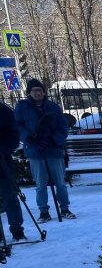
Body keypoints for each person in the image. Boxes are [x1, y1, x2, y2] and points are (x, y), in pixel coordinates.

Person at [14, 78, 74, 222]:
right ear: (29, 92)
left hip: (54, 149)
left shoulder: (53, 107)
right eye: (34, 90)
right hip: (36, 150)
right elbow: (18, 126)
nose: (38, 93)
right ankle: (44, 211)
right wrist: (29, 138)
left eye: (40, 90)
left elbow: (63, 126)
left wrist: (55, 139)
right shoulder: (22, 107)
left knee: (60, 182)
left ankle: (64, 208)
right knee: (40, 184)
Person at [0, 102, 24, 240]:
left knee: (10, 196)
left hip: (2, 162)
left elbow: (14, 136)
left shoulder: (4, 111)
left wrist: (3, 150)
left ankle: (17, 230)